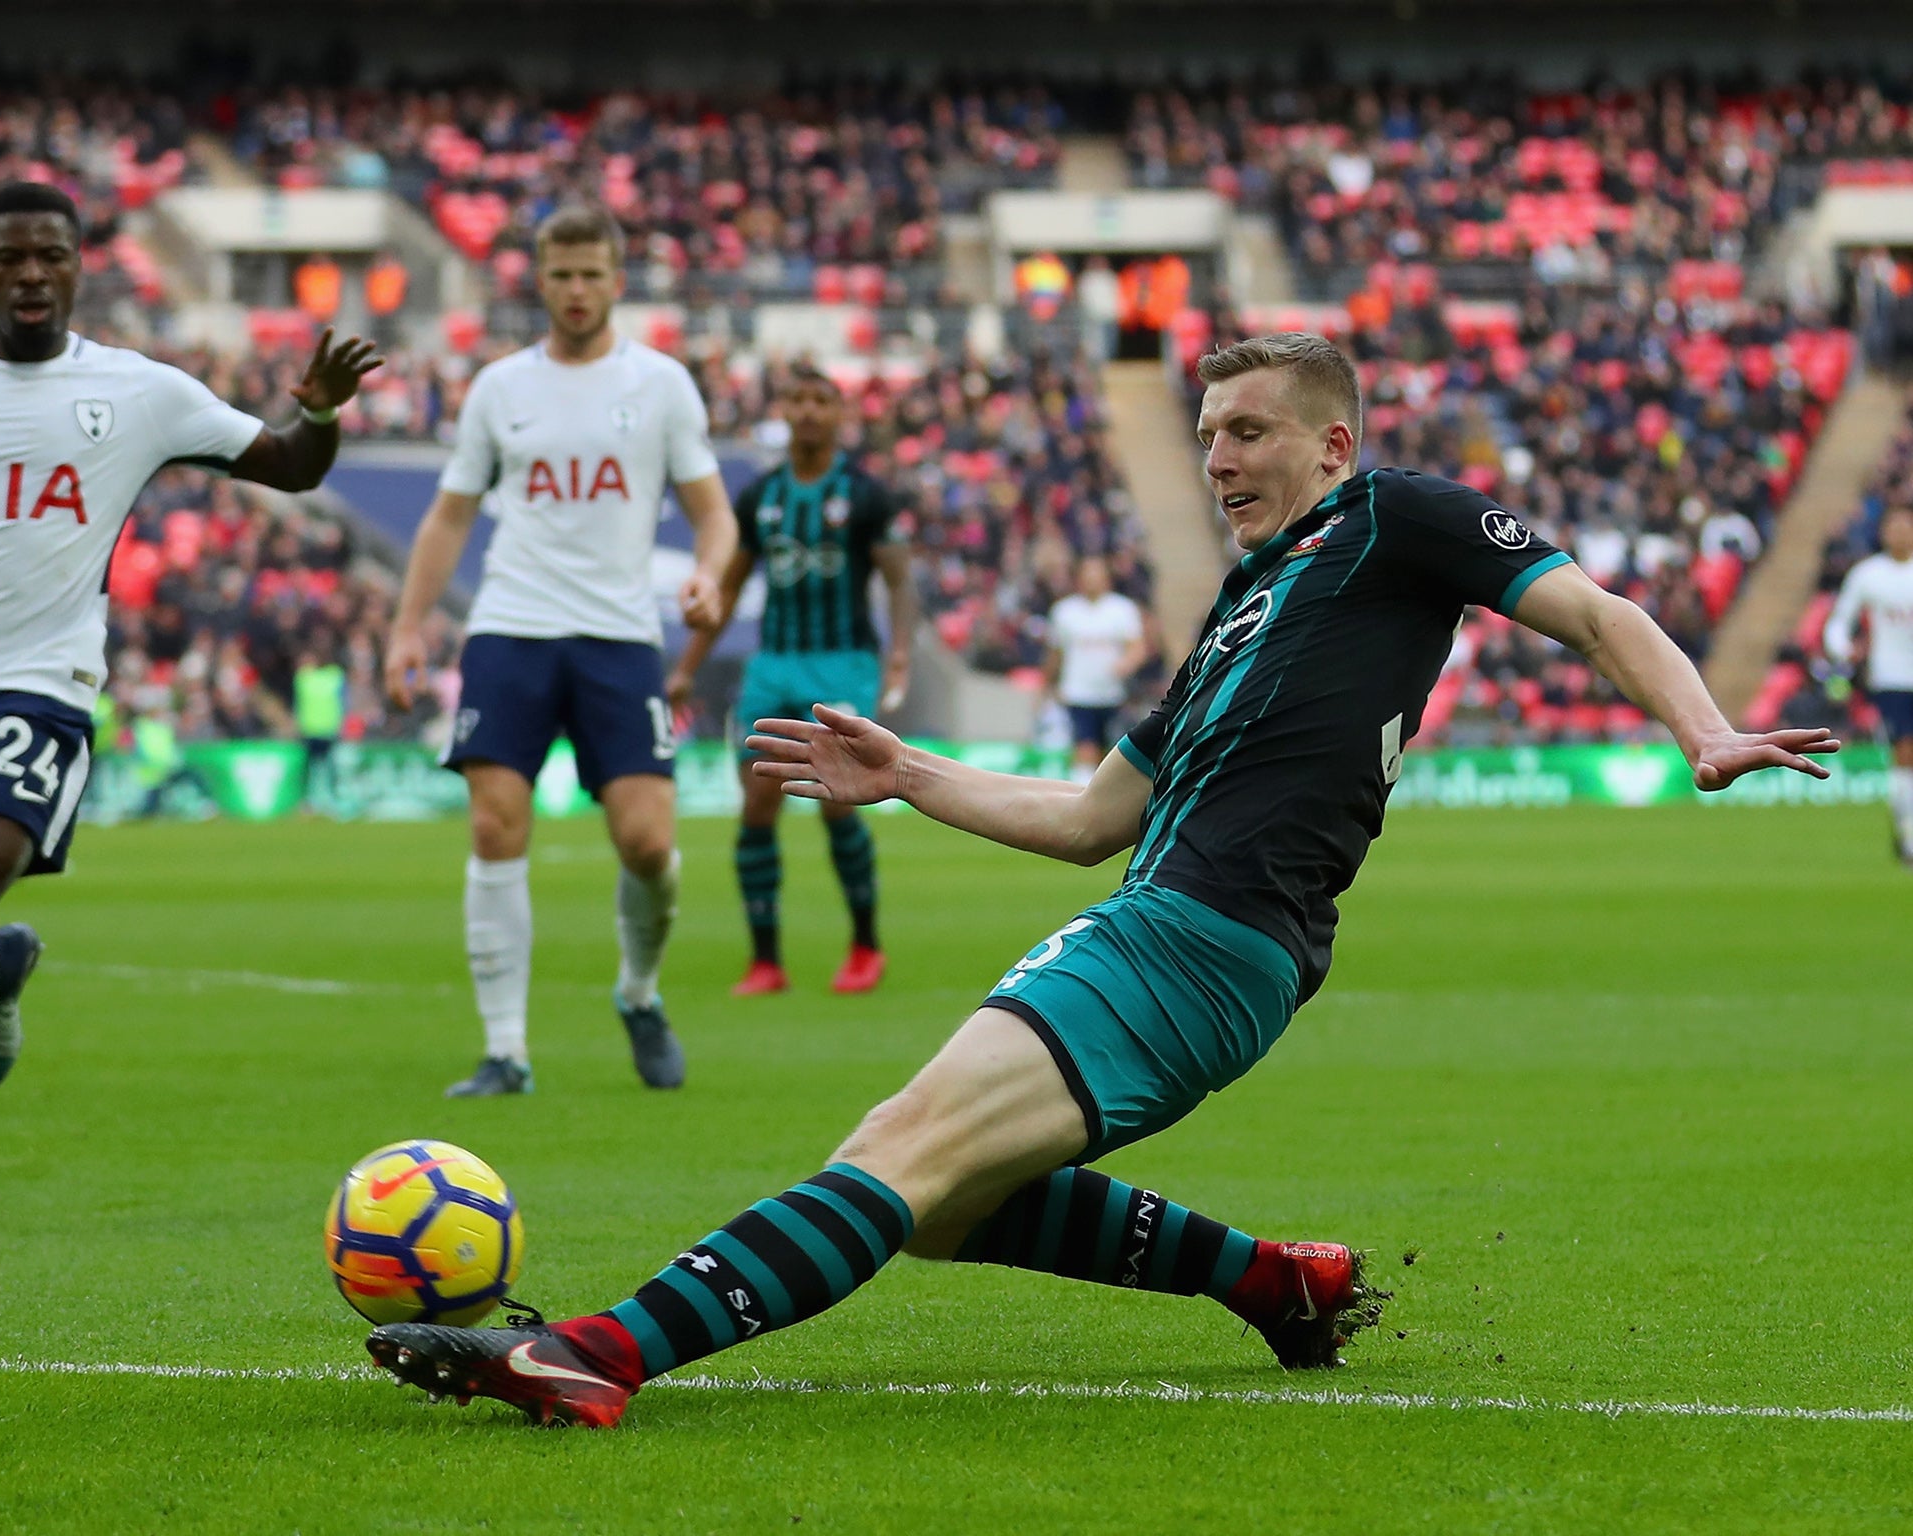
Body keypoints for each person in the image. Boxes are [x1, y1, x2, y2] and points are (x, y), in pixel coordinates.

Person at [359, 332, 1836, 1428]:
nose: (1219, 458)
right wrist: (912, 774)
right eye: (1206, 433)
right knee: (937, 1205)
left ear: (1331, 446)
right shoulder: (1241, 614)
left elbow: (1593, 610)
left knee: (903, 1148)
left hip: (1208, 938)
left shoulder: (1394, 517)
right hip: (1167, 922)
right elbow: (1086, 814)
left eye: (1251, 431)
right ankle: (1277, 1282)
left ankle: (597, 1355)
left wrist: (1701, 727)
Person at [0, 182, 380, 1233]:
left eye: (52, 254)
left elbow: (285, 465)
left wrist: (317, 410)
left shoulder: (139, 391)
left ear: (81, 263)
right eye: (12, 258)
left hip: (39, 687)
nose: (34, 275)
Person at [383, 205, 738, 1098]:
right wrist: (406, 626)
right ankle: (506, 1051)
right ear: (537, 282)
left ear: (617, 282)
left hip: (618, 636)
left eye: (592, 274)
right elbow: (451, 515)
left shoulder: (660, 385)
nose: (576, 290)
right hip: (511, 626)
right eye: (561, 274)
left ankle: (639, 992)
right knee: (497, 823)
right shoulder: (501, 389)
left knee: (648, 844)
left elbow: (714, 513)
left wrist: (708, 574)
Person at [666, 366, 915, 998]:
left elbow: (898, 579)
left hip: (841, 663)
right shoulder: (761, 498)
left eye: (820, 401)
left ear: (838, 414)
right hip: (772, 665)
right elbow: (726, 589)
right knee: (755, 808)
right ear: (783, 410)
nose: (807, 412)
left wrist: (901, 655)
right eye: (796, 400)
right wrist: (687, 667)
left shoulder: (865, 494)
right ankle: (766, 961)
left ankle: (865, 946)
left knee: (837, 803)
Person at [1823, 502, 1913, 861]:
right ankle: (1907, 834)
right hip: (1891, 680)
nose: (1900, 533)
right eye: (1894, 526)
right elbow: (1838, 621)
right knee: (1905, 754)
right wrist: (1843, 649)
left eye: (1905, 526)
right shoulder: (1868, 575)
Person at [1043, 556, 1149, 774]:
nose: (1092, 581)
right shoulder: (1065, 611)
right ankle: (1081, 796)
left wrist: (1126, 664)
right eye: (1087, 576)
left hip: (1112, 695)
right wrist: (1046, 685)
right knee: (1084, 749)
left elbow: (1137, 648)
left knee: (1113, 754)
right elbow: (1056, 654)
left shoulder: (1122, 609)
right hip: (1078, 694)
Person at [295, 633, 348, 812]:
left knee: (329, 768)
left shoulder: (333, 676)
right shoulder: (305, 677)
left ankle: (331, 800)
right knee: (311, 768)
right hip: (311, 729)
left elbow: (343, 702)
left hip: (328, 728)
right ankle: (310, 802)